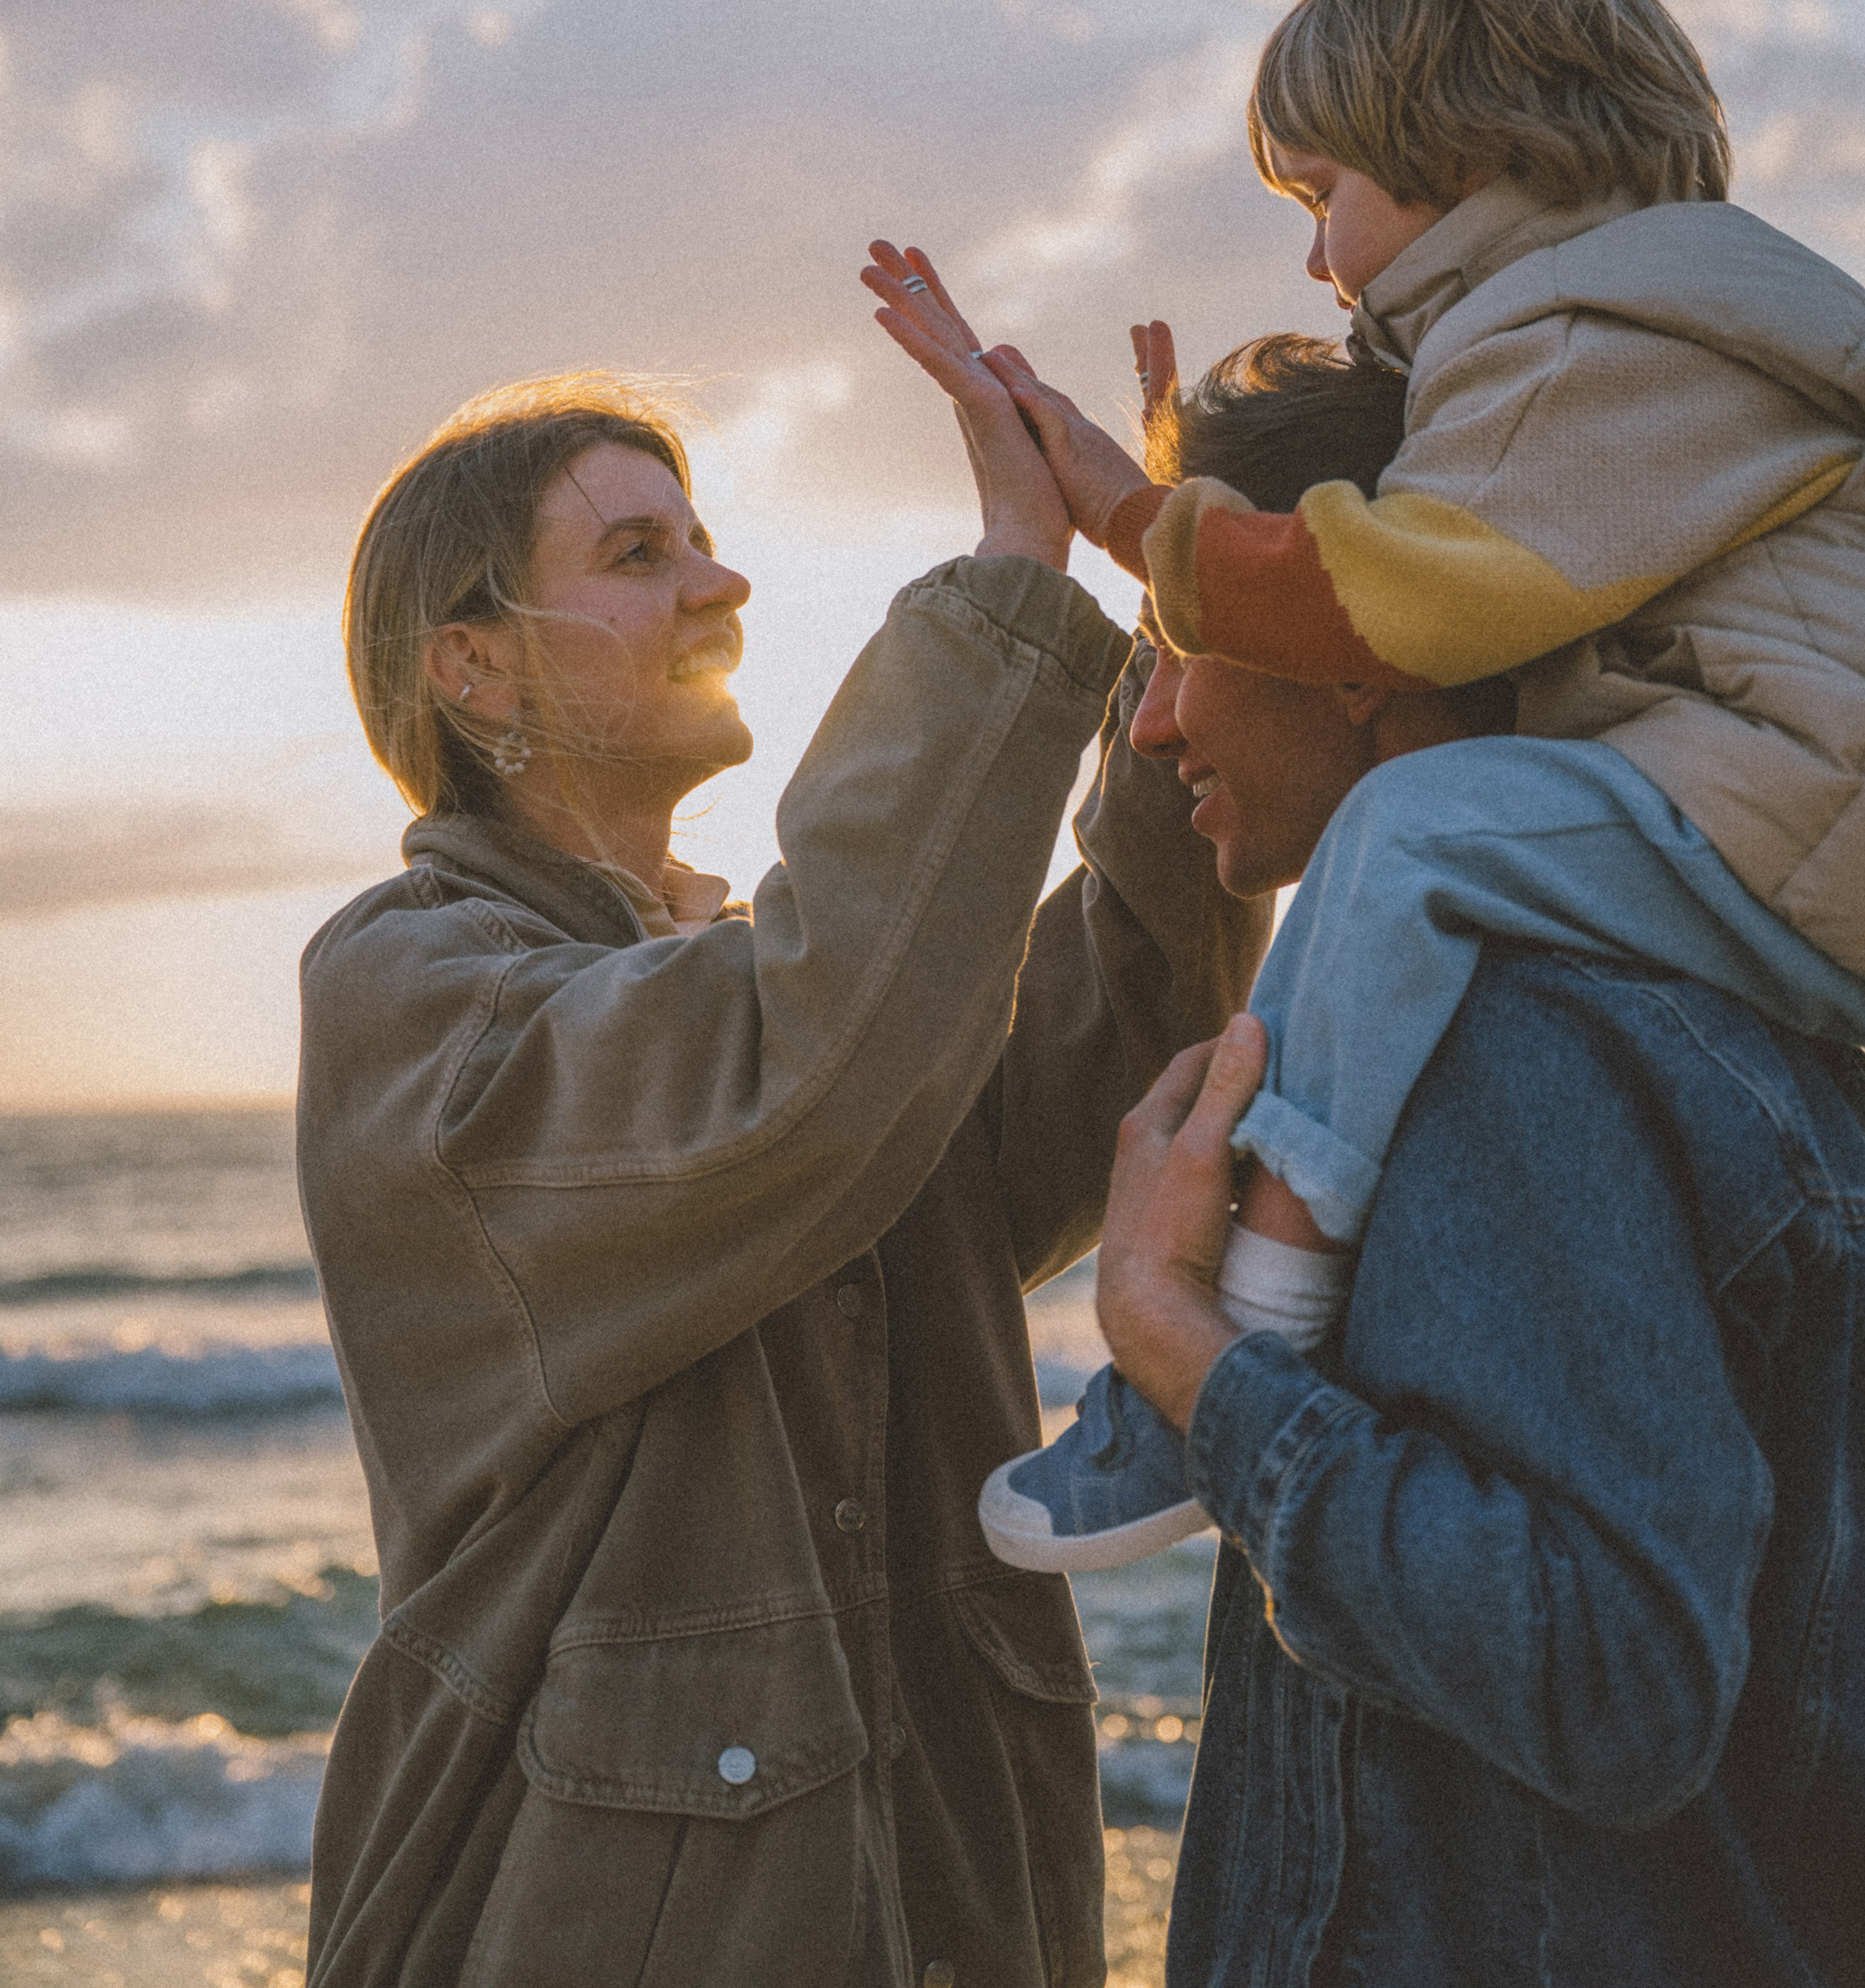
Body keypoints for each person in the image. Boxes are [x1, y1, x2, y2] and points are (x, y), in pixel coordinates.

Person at [867, 0, 1865, 1565]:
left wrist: (1143, 520)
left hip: (1793, 797)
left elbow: (1396, 598)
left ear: (1467, 144)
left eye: (1323, 194)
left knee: (1414, 840)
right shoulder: (1609, 317)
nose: (1310, 253)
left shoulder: (1611, 321)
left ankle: (1233, 1332)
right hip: (1782, 808)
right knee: (1421, 856)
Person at [297, 366, 1262, 1988]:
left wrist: (1187, 619)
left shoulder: (787, 993)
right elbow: (790, 1073)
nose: (720, 584)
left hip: (941, 1898)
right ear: (469, 664)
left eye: (705, 540)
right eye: (636, 556)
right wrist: (1008, 584)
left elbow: (1116, 1034)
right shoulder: (416, 999)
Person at [1084, 353, 1865, 1984]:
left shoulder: (1511, 1040)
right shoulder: (1727, 1020)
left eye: (1177, 649)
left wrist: (1177, 1347)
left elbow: (1608, 1683)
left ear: (1360, 654)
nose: (1154, 715)